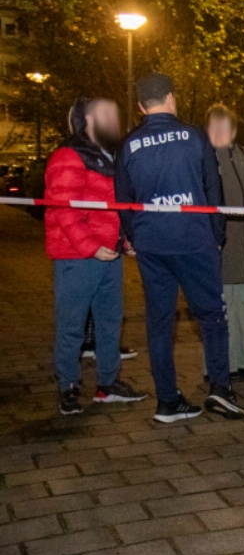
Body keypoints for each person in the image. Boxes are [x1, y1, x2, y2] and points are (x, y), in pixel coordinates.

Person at [115, 73, 244, 422]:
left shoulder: (128, 145)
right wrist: (217, 236)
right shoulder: (193, 136)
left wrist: (135, 237)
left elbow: (122, 200)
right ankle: (220, 388)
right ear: (171, 99)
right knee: (212, 317)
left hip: (152, 244)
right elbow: (212, 189)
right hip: (193, 241)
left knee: (159, 324)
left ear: (142, 106)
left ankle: (168, 402)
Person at [45, 98, 146, 416]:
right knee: (72, 325)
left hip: (109, 254)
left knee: (109, 322)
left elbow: (119, 204)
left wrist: (126, 238)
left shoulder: (111, 156)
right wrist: (90, 246)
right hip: (78, 257)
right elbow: (63, 208)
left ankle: (108, 384)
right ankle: (68, 387)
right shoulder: (68, 154)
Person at [206, 105, 244, 382]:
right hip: (222, 247)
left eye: (227, 125)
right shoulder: (206, 158)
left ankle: (243, 361)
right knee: (222, 309)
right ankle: (220, 366)